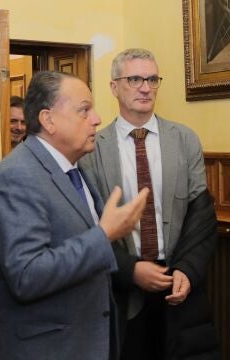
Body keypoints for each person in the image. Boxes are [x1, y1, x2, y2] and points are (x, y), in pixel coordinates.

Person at [0, 71, 149, 360]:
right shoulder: (16, 177)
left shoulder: (73, 168)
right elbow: (27, 275)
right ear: (48, 120)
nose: (96, 119)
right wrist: (105, 234)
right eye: (84, 110)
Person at [80, 48, 219, 360]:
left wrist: (187, 268)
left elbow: (202, 214)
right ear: (114, 87)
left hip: (178, 282)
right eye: (135, 79)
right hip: (122, 287)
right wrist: (131, 271)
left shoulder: (185, 139)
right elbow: (88, 224)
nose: (145, 87)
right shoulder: (91, 149)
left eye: (152, 79)